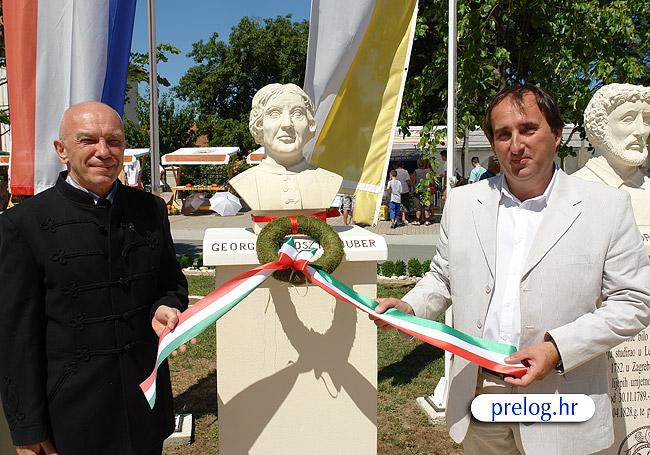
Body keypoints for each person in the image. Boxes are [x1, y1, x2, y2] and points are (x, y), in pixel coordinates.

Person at [372, 85, 650, 454]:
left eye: (528, 129)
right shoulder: (463, 202)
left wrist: (556, 350)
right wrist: (410, 307)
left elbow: (634, 301)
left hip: (561, 394)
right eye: (504, 134)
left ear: (556, 134)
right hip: (479, 392)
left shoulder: (607, 207)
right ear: (492, 142)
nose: (516, 145)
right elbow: (442, 276)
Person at [0, 101, 190, 455]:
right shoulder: (23, 224)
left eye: (114, 141)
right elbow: (15, 337)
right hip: (70, 417)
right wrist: (27, 428)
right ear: (61, 150)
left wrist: (164, 306)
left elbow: (171, 283)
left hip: (145, 407)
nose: (104, 152)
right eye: (88, 140)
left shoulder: (150, 209)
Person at [229, 83, 342, 213]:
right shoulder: (244, 182)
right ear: (259, 125)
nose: (287, 124)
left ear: (309, 124)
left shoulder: (329, 181)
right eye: (274, 113)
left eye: (297, 113)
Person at [572, 83, 650, 226]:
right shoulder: (569, 191)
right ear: (599, 126)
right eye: (628, 119)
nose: (641, 131)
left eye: (646, 120)